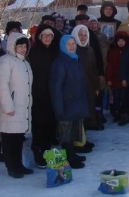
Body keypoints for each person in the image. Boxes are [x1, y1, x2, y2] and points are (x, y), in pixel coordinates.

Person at [0, 33, 34, 178]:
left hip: (21, 107)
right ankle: (11, 167)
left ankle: (18, 165)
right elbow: (2, 86)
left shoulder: (24, 62)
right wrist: (8, 107)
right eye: (20, 46)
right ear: (13, 45)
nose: (23, 49)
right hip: (10, 108)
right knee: (9, 140)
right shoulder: (5, 61)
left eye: (25, 46)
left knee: (18, 138)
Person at [50, 35, 91, 169]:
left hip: (76, 101)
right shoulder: (60, 62)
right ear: (63, 46)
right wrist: (59, 107)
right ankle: (68, 157)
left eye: (73, 43)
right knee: (65, 132)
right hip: (66, 103)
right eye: (69, 44)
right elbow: (56, 87)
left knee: (73, 130)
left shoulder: (74, 59)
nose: (72, 46)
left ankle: (72, 153)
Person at [28, 25, 60, 168]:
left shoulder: (55, 52)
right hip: (38, 93)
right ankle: (37, 151)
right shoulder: (33, 53)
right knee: (39, 124)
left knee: (50, 124)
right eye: (45, 35)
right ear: (40, 37)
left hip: (52, 93)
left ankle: (47, 151)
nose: (47, 38)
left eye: (50, 36)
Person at [71, 25, 101, 131]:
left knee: (90, 106)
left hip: (90, 84)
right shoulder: (72, 50)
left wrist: (96, 86)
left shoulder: (90, 49)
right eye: (80, 35)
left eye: (85, 35)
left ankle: (89, 126)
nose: (83, 38)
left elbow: (94, 69)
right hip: (77, 85)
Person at [106, 31, 129, 122]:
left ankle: (124, 113)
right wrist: (109, 78)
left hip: (125, 80)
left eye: (122, 41)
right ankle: (116, 113)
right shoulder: (113, 52)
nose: (121, 43)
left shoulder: (128, 51)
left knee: (124, 98)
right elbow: (109, 66)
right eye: (119, 41)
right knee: (116, 98)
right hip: (115, 80)